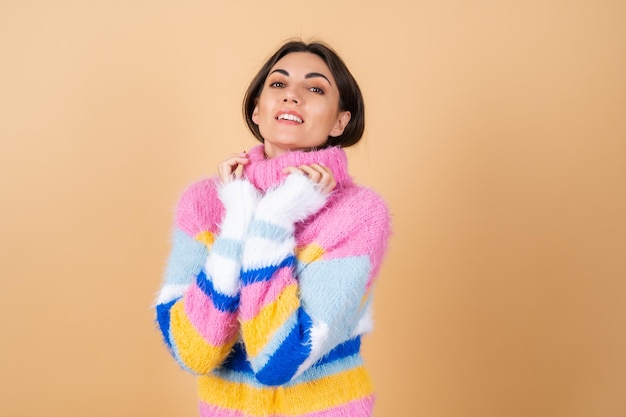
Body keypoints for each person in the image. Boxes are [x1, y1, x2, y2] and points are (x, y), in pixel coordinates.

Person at [155, 39, 391, 417]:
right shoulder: (205, 202)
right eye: (278, 85)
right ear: (256, 109)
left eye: (315, 89)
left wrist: (276, 217)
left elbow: (279, 359)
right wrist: (238, 218)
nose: (291, 96)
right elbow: (194, 351)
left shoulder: (359, 213)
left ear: (340, 121)